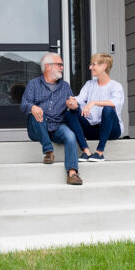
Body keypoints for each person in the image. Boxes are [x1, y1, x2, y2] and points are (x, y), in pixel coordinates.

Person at [19, 53, 88, 185]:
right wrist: (32, 107)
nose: (62, 68)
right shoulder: (33, 84)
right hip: (38, 127)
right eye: (59, 65)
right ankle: (48, 151)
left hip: (57, 125)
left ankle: (72, 173)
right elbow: (24, 105)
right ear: (48, 67)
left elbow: (73, 107)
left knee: (70, 136)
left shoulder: (65, 86)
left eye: (62, 65)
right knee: (38, 113)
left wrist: (73, 106)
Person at [69, 53, 125, 161]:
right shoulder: (89, 84)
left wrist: (94, 102)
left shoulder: (115, 86)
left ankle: (99, 152)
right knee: (70, 112)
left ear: (104, 66)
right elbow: (79, 99)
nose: (90, 67)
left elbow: (115, 102)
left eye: (93, 64)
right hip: (92, 129)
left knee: (108, 109)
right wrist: (71, 102)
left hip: (111, 131)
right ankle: (86, 151)